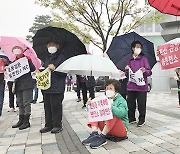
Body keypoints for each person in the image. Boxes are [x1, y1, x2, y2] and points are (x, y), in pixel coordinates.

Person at [82, 79, 128, 149]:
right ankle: (94, 134)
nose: (108, 90)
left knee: (111, 113)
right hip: (108, 129)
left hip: (120, 130)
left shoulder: (121, 100)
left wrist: (110, 106)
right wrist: (89, 105)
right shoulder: (103, 99)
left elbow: (120, 114)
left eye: (110, 88)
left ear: (116, 90)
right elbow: (92, 112)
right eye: (107, 88)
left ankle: (102, 137)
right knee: (96, 111)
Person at [39, 40, 67, 134]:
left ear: (58, 45)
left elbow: (64, 72)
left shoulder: (62, 57)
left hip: (57, 86)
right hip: (47, 86)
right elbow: (44, 69)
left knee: (56, 106)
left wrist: (55, 69)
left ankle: (57, 125)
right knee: (47, 106)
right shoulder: (46, 58)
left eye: (53, 45)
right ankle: (48, 125)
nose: (51, 47)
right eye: (49, 45)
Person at [125, 41, 152, 127]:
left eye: (140, 47)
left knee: (141, 104)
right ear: (133, 48)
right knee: (130, 104)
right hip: (131, 86)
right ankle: (131, 118)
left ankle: (141, 119)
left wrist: (145, 71)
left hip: (141, 86)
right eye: (137, 47)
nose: (138, 49)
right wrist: (126, 69)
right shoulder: (129, 60)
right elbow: (127, 75)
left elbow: (149, 72)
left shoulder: (144, 59)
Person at [11, 46, 35, 130]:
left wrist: (28, 61)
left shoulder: (27, 59)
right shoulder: (14, 62)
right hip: (18, 85)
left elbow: (33, 69)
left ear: (21, 51)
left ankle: (26, 121)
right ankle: (20, 120)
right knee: (20, 103)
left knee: (26, 102)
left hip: (26, 84)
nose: (17, 52)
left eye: (18, 50)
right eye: (15, 50)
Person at [0, 48, 10, 116]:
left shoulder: (4, 57)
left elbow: (10, 66)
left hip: (1, 80)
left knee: (0, 97)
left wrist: (6, 62)